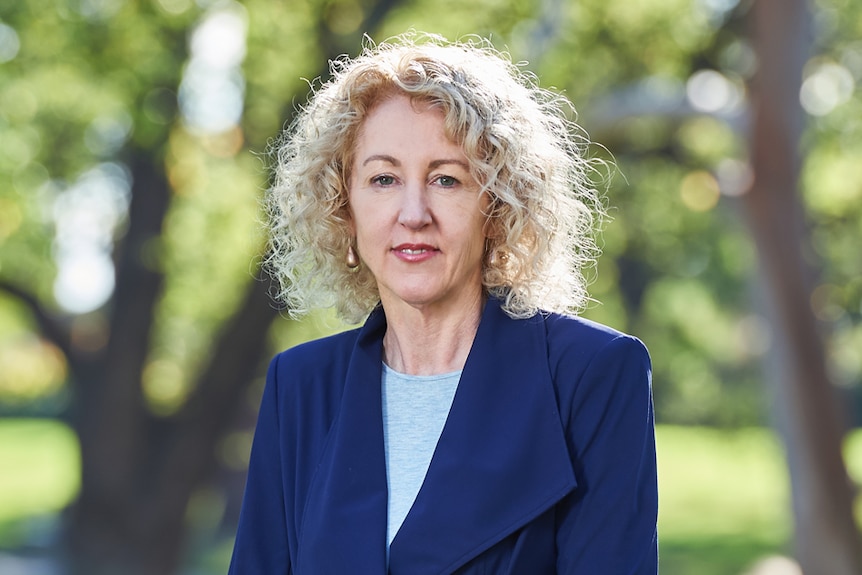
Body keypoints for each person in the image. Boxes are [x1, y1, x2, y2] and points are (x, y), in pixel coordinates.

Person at [229, 32, 658, 574]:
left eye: (446, 180)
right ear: (344, 207)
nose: (413, 212)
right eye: (383, 179)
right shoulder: (300, 386)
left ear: (498, 205)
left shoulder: (590, 376)